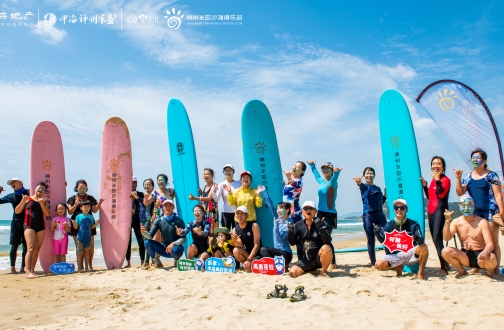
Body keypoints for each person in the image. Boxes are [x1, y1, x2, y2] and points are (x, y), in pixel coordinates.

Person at [454, 148, 504, 275]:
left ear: (485, 160)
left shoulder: (491, 175)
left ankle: (496, 267)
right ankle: (476, 266)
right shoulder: (468, 176)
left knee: (493, 242)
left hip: (489, 213)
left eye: (478, 157)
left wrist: (502, 210)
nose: (474, 160)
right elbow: (460, 192)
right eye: (473, 158)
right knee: (478, 242)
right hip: (473, 214)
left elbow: (498, 195)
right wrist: (458, 179)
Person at [442, 195, 497, 279]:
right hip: (465, 256)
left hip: (481, 257)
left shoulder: (482, 222)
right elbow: (446, 238)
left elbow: (490, 244)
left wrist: (485, 252)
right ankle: (462, 271)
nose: (466, 208)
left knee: (492, 258)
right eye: (464, 206)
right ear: (460, 206)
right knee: (445, 251)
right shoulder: (456, 222)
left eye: (469, 205)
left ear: (474, 206)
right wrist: (447, 221)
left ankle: (490, 273)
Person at [374, 199, 429, 280]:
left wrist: (417, 238)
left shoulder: (414, 224)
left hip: (410, 254)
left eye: (402, 207)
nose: (399, 209)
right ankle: (398, 268)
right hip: (395, 256)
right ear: (393, 210)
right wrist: (377, 232)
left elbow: (421, 239)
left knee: (423, 247)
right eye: (396, 207)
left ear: (406, 209)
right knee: (378, 265)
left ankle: (420, 273)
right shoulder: (389, 225)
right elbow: (384, 242)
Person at [420, 156, 451, 275]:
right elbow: (430, 197)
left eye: (438, 164)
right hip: (431, 212)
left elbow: (441, 194)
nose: (435, 166)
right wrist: (424, 186)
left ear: (443, 167)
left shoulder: (445, 179)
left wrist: (437, 180)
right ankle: (446, 264)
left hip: (440, 211)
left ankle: (443, 268)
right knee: (435, 239)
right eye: (433, 164)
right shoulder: (434, 180)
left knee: (438, 238)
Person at [307, 160, 341, 267]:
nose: (325, 170)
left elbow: (334, 179)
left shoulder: (333, 182)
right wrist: (312, 166)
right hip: (320, 213)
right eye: (324, 169)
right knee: (320, 237)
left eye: (328, 169)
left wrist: (336, 173)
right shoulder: (322, 182)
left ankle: (333, 262)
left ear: (331, 170)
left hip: (329, 214)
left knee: (326, 237)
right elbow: (317, 176)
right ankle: (323, 259)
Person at [15, 181, 51, 279]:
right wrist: (23, 201)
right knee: (30, 247)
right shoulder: (27, 199)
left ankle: (32, 270)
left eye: (43, 189)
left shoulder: (43, 201)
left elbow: (47, 214)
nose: (41, 190)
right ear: (35, 188)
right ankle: (28, 272)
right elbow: (17, 211)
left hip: (40, 226)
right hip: (28, 226)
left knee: (36, 249)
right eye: (40, 188)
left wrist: (42, 204)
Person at [287, 201, 333, 277]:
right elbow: (292, 243)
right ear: (302, 211)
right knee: (292, 273)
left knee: (327, 248)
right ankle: (311, 270)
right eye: (305, 208)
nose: (308, 210)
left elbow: (328, 241)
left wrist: (321, 228)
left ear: (316, 211)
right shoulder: (298, 225)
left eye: (311, 208)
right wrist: (290, 232)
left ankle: (323, 271)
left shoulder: (322, 223)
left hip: (318, 259)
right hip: (305, 261)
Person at [352, 167, 387, 266]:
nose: (369, 175)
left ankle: (390, 257)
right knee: (370, 239)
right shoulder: (364, 187)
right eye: (367, 173)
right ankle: (373, 263)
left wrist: (385, 195)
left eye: (371, 173)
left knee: (387, 235)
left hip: (380, 215)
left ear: (374, 175)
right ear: (364, 176)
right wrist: (358, 183)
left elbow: (381, 202)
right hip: (369, 216)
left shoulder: (378, 188)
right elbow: (361, 185)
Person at [67, 179, 104, 271]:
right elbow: (70, 211)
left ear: (87, 188)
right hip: (76, 223)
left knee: (90, 247)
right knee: (79, 247)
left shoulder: (91, 198)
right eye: (80, 188)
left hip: (89, 223)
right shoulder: (72, 199)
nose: (82, 189)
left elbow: (94, 210)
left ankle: (89, 266)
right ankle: (80, 267)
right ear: (76, 188)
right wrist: (75, 204)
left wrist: (99, 203)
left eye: (84, 188)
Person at [141, 199, 185, 268]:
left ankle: (176, 261)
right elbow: (150, 236)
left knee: (176, 249)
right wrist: (143, 232)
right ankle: (158, 263)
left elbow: (183, 239)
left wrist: (173, 243)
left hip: (176, 249)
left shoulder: (179, 221)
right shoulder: (159, 220)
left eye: (170, 205)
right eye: (165, 205)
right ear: (163, 208)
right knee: (147, 243)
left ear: (173, 207)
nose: (168, 207)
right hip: (164, 249)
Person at [259, 185, 293, 269]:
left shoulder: (289, 223)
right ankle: (280, 266)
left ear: (287, 210)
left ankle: (279, 266)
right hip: (278, 253)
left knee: (263, 250)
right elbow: (270, 205)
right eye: (277, 209)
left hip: (286, 254)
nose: (278, 211)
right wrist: (264, 191)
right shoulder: (277, 218)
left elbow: (279, 239)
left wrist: (276, 226)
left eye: (281, 208)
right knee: (259, 256)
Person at [0, 177, 29, 274]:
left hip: (27, 222)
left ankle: (23, 267)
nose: (12, 184)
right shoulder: (11, 196)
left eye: (14, 182)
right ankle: (12, 267)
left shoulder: (28, 192)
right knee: (14, 246)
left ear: (20, 182)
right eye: (11, 183)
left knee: (26, 246)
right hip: (16, 222)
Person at [72, 201, 100, 273]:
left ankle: (86, 268)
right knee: (79, 253)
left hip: (88, 238)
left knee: (87, 252)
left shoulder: (90, 216)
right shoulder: (78, 216)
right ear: (81, 208)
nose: (87, 208)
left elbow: (91, 227)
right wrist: (74, 223)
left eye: (88, 207)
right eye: (85, 207)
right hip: (80, 238)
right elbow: (76, 228)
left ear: (90, 208)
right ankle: (79, 268)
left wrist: (96, 224)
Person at [231, 206, 261, 272]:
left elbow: (257, 245)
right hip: (246, 254)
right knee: (235, 250)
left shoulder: (254, 226)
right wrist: (234, 241)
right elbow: (240, 246)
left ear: (247, 215)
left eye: (242, 213)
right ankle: (247, 265)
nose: (239, 215)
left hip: (256, 254)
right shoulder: (235, 229)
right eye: (238, 213)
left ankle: (249, 263)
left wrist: (249, 259)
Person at [213, 164, 241, 230]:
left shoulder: (239, 183)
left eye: (230, 171)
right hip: (226, 212)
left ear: (233, 172)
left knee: (237, 234)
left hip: (238, 212)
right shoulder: (221, 184)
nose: (228, 172)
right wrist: (213, 192)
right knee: (225, 234)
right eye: (226, 171)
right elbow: (216, 199)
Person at [125, 176, 145, 268]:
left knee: (140, 240)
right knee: (127, 242)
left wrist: (135, 197)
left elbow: (143, 205)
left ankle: (142, 262)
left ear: (136, 184)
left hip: (137, 219)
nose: (132, 184)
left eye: (134, 182)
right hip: (127, 220)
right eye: (131, 182)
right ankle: (128, 263)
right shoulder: (124, 194)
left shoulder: (140, 194)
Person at [141, 178, 155, 267]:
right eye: (145, 184)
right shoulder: (144, 195)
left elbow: (146, 204)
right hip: (142, 219)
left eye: (149, 184)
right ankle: (152, 260)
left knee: (148, 240)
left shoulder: (153, 195)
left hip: (149, 219)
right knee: (144, 240)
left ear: (153, 186)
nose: (147, 186)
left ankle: (146, 261)